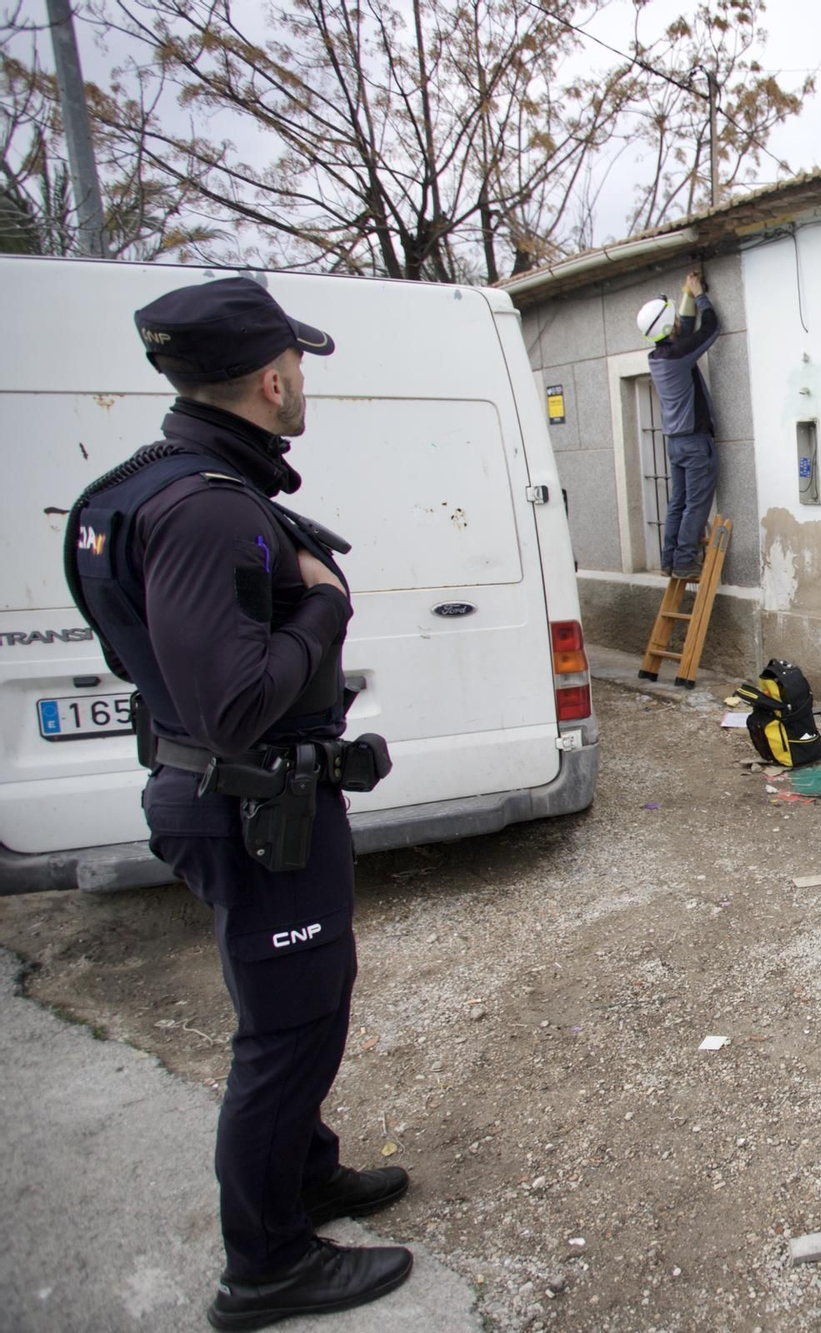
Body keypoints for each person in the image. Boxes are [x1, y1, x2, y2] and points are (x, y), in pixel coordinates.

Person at [62, 276, 411, 1330]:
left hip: (234, 802)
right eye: (296, 368)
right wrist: (321, 604)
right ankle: (265, 1267)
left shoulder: (139, 487)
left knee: (299, 1004)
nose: (302, 382)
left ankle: (303, 1175)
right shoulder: (209, 509)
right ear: (270, 378)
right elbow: (231, 705)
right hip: (249, 802)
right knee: (285, 1028)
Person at [646, 268, 723, 580]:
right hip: (693, 442)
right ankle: (685, 562)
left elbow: (685, 333)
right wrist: (700, 295)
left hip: (675, 443)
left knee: (677, 502)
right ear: (668, 326)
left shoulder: (660, 355)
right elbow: (711, 330)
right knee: (696, 503)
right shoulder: (678, 355)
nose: (678, 321)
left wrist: (687, 295)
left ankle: (670, 560)